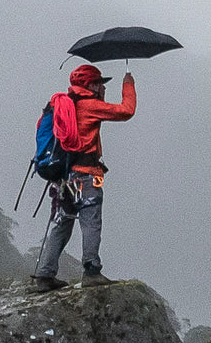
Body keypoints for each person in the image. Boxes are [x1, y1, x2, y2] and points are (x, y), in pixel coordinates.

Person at [32, 63, 136, 291]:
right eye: (101, 83)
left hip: (63, 178)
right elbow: (126, 111)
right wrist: (128, 82)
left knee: (63, 222)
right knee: (91, 220)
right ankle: (91, 270)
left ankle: (45, 275)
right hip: (87, 176)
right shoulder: (90, 105)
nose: (103, 88)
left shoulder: (63, 105)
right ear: (91, 85)